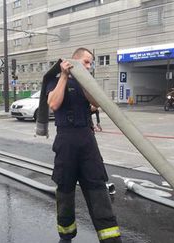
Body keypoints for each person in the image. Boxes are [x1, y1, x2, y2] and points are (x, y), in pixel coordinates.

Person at [46, 48, 121, 243]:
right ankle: (66, 236)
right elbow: (53, 104)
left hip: (87, 142)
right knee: (65, 192)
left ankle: (110, 239)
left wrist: (83, 79)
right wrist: (64, 76)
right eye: (86, 62)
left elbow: (97, 102)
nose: (90, 66)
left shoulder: (86, 83)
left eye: (91, 63)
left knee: (98, 191)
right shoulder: (55, 80)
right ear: (75, 61)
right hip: (66, 143)